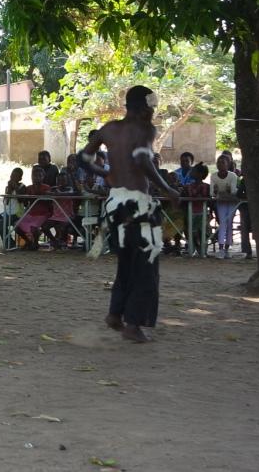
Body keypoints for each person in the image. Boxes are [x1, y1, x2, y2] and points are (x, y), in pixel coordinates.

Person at [78, 85, 180, 343]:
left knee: (126, 264)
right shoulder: (145, 130)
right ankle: (132, 324)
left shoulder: (108, 129)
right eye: (152, 106)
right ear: (143, 106)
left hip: (115, 204)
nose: (153, 111)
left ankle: (115, 314)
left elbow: (83, 157)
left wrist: (106, 175)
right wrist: (167, 189)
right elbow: (142, 160)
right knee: (145, 266)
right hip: (138, 205)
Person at [0, 167, 26, 250]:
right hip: (7, 212)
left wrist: (15, 187)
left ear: (20, 178)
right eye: (12, 176)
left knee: (1, 223)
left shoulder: (22, 187)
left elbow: (21, 200)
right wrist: (9, 191)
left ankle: (10, 244)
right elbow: (6, 202)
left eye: (15, 176)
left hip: (17, 213)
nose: (12, 178)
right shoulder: (8, 188)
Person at [15, 167, 52, 250]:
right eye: (34, 176)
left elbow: (49, 202)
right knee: (17, 226)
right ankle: (28, 242)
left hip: (43, 213)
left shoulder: (46, 187)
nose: (37, 178)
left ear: (43, 177)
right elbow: (25, 203)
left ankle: (35, 243)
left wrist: (40, 195)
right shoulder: (28, 188)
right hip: (31, 213)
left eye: (39, 176)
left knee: (34, 228)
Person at [210, 154, 239, 259]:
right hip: (220, 202)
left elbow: (232, 191)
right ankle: (221, 248)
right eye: (218, 162)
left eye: (223, 162)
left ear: (228, 164)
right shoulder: (213, 176)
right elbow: (212, 193)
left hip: (231, 202)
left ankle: (227, 248)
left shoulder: (233, 176)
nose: (220, 164)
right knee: (222, 223)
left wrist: (221, 193)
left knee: (229, 223)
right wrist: (222, 193)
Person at [184, 163, 211, 256]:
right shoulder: (189, 186)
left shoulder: (206, 186)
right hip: (192, 212)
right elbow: (192, 195)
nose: (191, 172)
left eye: (193, 171)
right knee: (192, 231)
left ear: (199, 174)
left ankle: (203, 250)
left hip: (202, 213)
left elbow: (203, 196)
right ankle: (193, 248)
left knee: (204, 231)